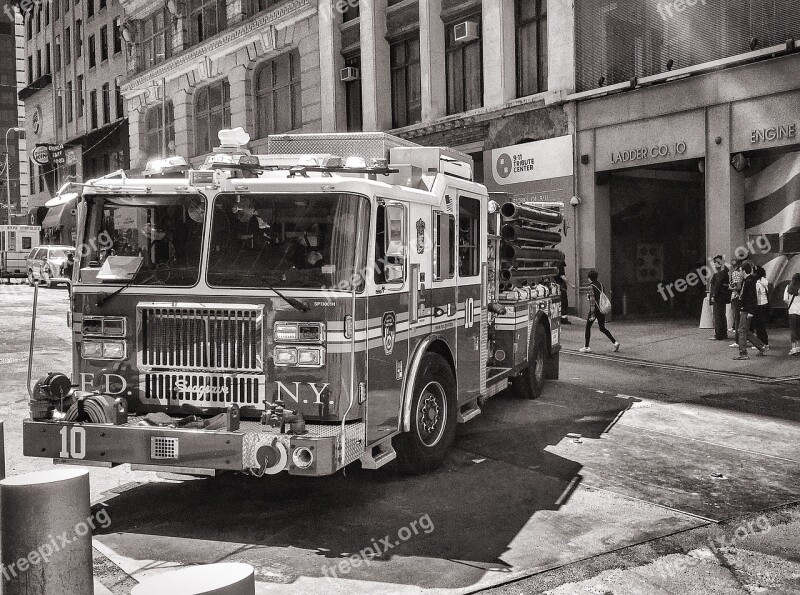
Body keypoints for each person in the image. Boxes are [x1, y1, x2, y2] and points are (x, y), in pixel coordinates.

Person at [734, 261, 768, 360]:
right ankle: (761, 346)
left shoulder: (748, 282)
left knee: (742, 330)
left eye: (740, 270)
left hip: (746, 310)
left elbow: (752, 298)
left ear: (743, 270)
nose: (739, 272)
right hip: (747, 309)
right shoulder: (749, 281)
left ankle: (743, 353)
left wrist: (749, 312)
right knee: (746, 331)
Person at [580, 270, 620, 353]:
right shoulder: (601, 285)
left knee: (588, 327)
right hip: (601, 309)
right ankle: (615, 342)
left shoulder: (590, 287)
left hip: (595, 309)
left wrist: (592, 313)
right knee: (602, 327)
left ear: (589, 278)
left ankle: (586, 347)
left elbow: (592, 301)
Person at [707, 255, 731, 340]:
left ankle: (718, 334)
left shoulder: (719, 274)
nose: (714, 264)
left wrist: (714, 295)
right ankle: (723, 333)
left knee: (717, 315)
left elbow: (717, 285)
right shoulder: (725, 273)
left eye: (715, 263)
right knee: (722, 315)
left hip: (718, 297)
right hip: (723, 297)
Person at [753, 266, 770, 348]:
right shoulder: (765, 281)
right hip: (765, 304)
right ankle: (764, 342)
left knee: (759, 325)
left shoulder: (757, 282)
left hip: (758, 304)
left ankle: (762, 343)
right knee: (761, 325)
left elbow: (755, 294)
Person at [728, 259, 744, 348]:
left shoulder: (735, 273)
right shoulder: (743, 273)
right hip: (742, 298)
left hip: (736, 297)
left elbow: (738, 286)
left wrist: (730, 288)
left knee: (737, 319)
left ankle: (737, 340)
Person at [785, 273, 800, 356]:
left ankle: (793, 348)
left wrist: (790, 304)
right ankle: (798, 347)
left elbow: (785, 299)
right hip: (799, 311)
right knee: (798, 329)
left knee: (792, 329)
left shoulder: (788, 287)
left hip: (791, 311)